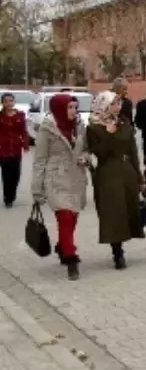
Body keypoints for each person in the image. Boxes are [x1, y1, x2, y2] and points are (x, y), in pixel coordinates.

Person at [30, 94, 89, 280]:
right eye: (69, 107)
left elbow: (87, 149)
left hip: (76, 177)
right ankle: (71, 259)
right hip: (56, 178)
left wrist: (85, 158)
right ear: (59, 108)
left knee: (72, 219)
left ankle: (63, 246)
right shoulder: (47, 129)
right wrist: (36, 188)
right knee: (65, 216)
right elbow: (40, 160)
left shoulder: (79, 126)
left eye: (75, 107)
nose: (73, 111)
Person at [85, 91, 144, 270]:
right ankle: (117, 252)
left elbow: (133, 150)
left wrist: (140, 177)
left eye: (119, 104)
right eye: (114, 104)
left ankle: (122, 243)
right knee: (113, 213)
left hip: (127, 172)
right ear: (104, 105)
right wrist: (109, 134)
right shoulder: (94, 127)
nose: (118, 107)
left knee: (127, 209)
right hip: (108, 173)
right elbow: (100, 153)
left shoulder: (125, 122)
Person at [0, 91, 30, 208]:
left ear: (14, 102)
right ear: (3, 103)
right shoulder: (1, 116)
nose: (9, 103)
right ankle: (8, 199)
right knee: (6, 175)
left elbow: (24, 131)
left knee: (15, 175)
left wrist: (25, 145)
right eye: (6, 101)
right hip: (3, 149)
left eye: (11, 101)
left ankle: (12, 194)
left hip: (16, 149)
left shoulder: (20, 115)